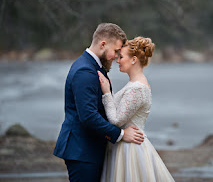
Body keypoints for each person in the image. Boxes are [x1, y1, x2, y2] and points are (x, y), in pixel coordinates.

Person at [53, 23, 145, 182]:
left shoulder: (93, 67)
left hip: (89, 148)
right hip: (82, 151)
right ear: (103, 44)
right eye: (116, 51)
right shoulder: (85, 71)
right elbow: (88, 116)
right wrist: (122, 134)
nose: (117, 57)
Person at [98, 36, 175, 181]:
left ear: (133, 59)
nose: (118, 60)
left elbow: (116, 120)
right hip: (124, 145)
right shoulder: (134, 84)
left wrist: (107, 93)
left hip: (130, 150)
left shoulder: (137, 88)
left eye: (121, 57)